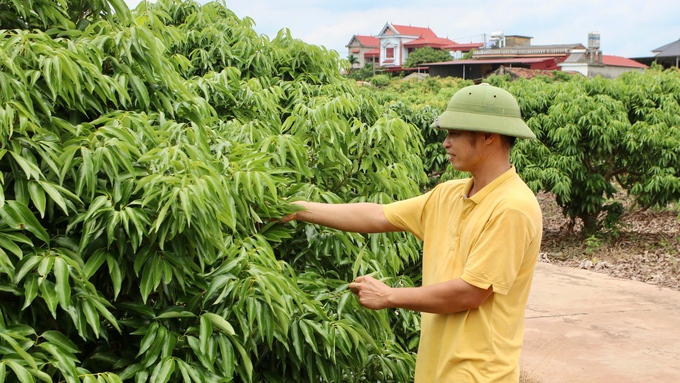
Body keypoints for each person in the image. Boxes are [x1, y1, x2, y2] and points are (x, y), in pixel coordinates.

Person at [280, 84, 542, 383]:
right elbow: (376, 214)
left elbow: (471, 292)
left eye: (453, 133)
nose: (445, 143)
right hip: (437, 367)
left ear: (488, 136)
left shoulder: (512, 207)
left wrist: (389, 296)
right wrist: (299, 209)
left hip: (480, 373)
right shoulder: (449, 194)